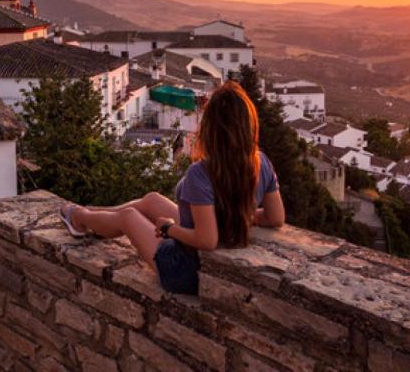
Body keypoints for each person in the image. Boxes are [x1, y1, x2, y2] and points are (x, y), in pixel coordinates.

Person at [58, 81, 285, 294]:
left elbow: (207, 240)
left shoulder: (201, 173)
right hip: (204, 249)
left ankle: (79, 218)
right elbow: (276, 217)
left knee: (128, 217)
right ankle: (97, 213)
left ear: (211, 128)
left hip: (183, 269)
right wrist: (238, 213)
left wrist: (169, 229)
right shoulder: (261, 162)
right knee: (153, 200)